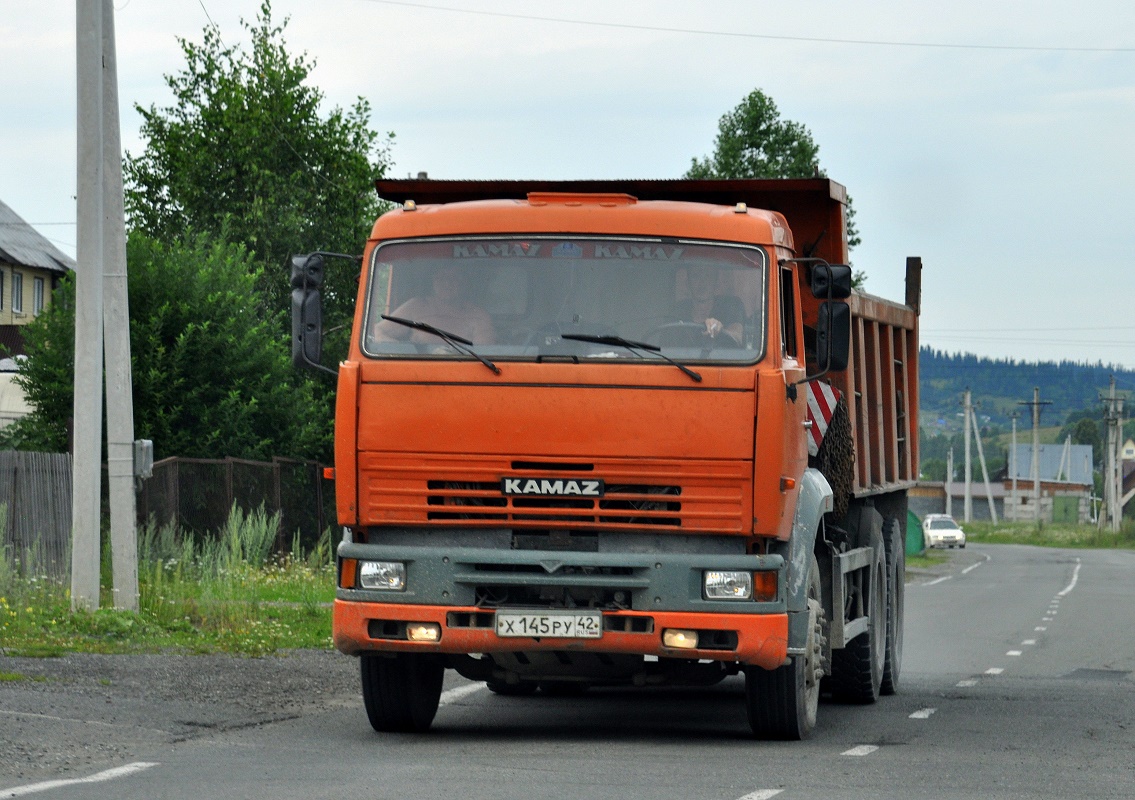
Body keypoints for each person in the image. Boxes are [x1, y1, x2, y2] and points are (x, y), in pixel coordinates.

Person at [371, 265, 495, 344]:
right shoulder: (416, 306)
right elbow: (377, 331)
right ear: (432, 281)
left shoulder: (479, 316)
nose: (447, 283)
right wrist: (398, 349)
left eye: (454, 278)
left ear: (464, 283)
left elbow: (484, 355)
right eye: (441, 278)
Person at [673, 268, 745, 344]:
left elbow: (737, 337)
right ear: (688, 283)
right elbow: (662, 348)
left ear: (716, 282)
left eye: (708, 276)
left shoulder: (731, 305)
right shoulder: (678, 310)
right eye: (696, 276)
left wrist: (719, 329)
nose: (702, 283)